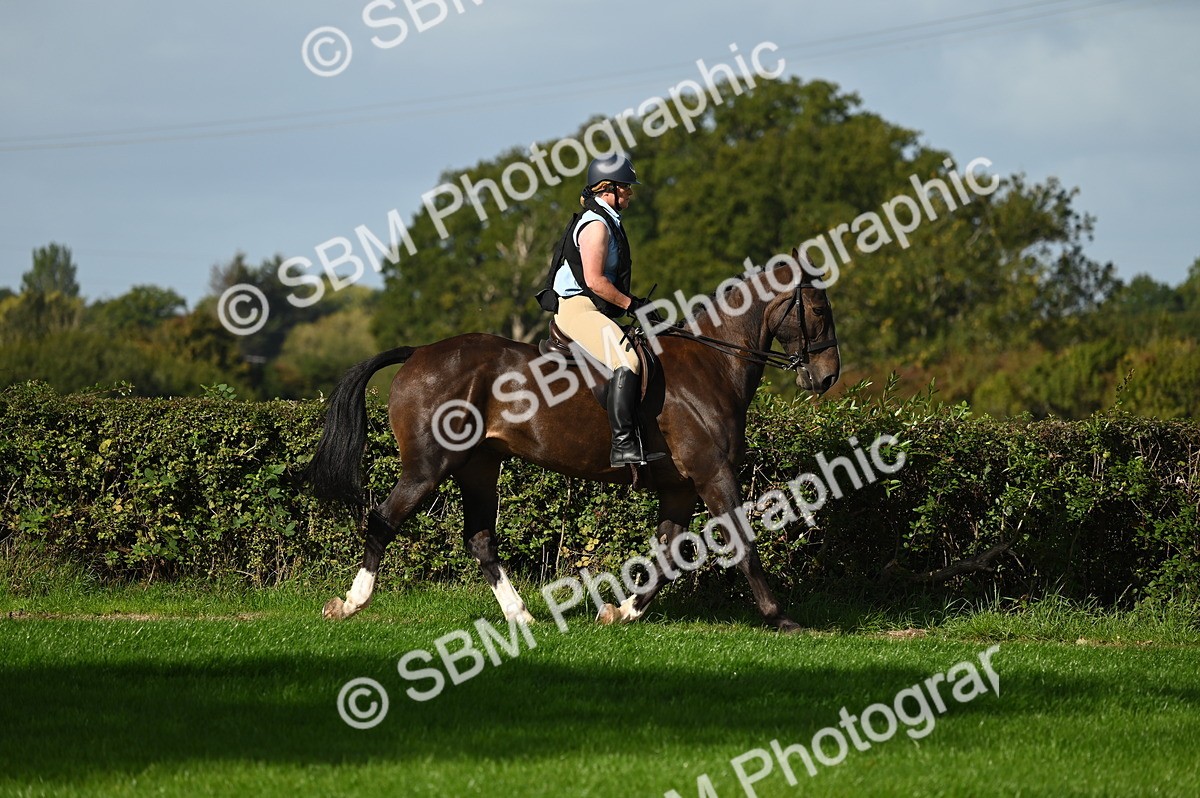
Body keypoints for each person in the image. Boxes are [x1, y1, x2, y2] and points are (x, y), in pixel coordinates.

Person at [538, 153, 666, 467]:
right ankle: (622, 445)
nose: (631, 193)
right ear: (608, 189)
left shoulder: (607, 220)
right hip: (577, 309)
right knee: (628, 358)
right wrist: (633, 304)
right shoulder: (596, 225)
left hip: (591, 308)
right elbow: (594, 281)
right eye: (627, 187)